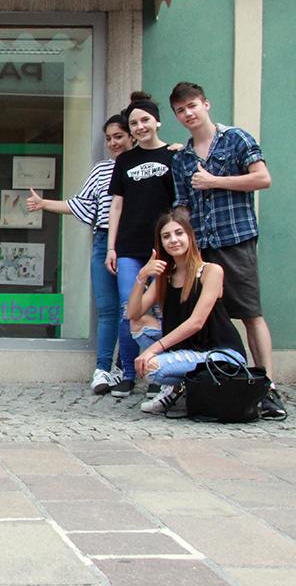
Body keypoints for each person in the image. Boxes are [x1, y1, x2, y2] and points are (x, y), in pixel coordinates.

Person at [168, 82, 283, 418]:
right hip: (200, 248)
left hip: (236, 240)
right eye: (180, 110)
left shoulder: (236, 139)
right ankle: (208, 388)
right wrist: (178, 246)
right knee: (203, 319)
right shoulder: (182, 158)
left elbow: (262, 179)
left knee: (250, 313)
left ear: (205, 104)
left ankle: (268, 389)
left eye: (192, 106)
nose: (188, 113)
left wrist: (214, 181)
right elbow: (182, 206)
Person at [27, 114, 133, 394]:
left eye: (119, 136)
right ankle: (103, 369)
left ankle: (125, 370)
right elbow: (81, 205)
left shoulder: (140, 167)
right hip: (103, 240)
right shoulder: (102, 170)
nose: (113, 143)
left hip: (134, 243)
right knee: (107, 310)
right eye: (109, 138)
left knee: (132, 310)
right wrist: (44, 204)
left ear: (132, 136)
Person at [128, 210, 248, 414]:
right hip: (187, 350)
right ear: (161, 243)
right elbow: (132, 314)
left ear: (190, 236)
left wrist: (151, 350)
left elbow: (196, 322)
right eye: (166, 236)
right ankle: (176, 389)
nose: (173, 240)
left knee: (152, 367)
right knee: (138, 324)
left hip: (220, 354)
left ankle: (177, 388)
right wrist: (142, 277)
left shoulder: (210, 271)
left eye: (179, 233)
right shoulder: (166, 277)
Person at [105, 93, 173, 398]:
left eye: (145, 120)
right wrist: (111, 248)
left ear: (157, 121)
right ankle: (128, 374)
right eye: (134, 123)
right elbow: (116, 206)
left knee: (161, 309)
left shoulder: (174, 156)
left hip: (163, 247)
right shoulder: (125, 161)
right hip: (129, 247)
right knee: (128, 309)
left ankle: (159, 373)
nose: (140, 126)